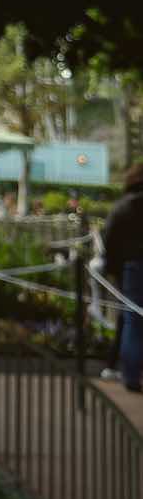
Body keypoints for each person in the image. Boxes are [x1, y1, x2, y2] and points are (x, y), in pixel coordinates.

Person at [100, 162, 143, 394]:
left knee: (131, 322)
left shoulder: (123, 207)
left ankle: (131, 376)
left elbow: (110, 238)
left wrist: (112, 268)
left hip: (132, 268)